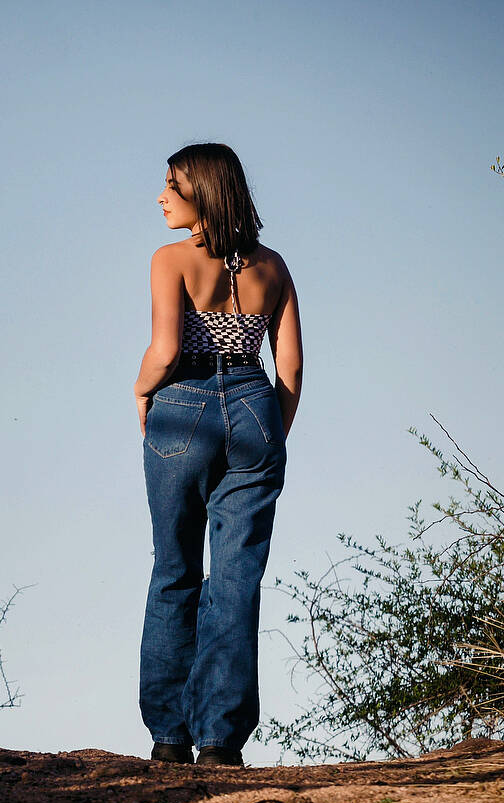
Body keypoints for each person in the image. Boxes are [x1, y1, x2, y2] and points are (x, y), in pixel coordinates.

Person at [132, 142, 302, 767]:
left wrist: (142, 389)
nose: (160, 196)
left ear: (199, 193)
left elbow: (165, 347)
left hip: (183, 405)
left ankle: (169, 738)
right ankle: (221, 743)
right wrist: (271, 433)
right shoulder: (273, 267)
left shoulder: (170, 260)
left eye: (170, 185)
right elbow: (291, 366)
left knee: (174, 570)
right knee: (236, 579)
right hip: (256, 406)